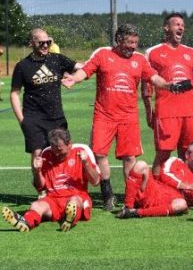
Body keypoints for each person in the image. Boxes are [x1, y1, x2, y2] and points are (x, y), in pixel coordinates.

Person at [61, 23, 178, 211]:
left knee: (129, 158)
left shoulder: (140, 60)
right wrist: (74, 78)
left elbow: (154, 78)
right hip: (104, 115)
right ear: (118, 40)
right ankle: (108, 194)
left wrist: (168, 85)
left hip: (128, 117)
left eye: (135, 43)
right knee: (99, 154)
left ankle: (130, 197)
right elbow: (86, 70)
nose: (133, 46)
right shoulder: (103, 55)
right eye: (129, 42)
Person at [10, 28, 81, 195]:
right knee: (37, 154)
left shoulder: (57, 59)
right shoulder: (22, 66)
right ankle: (41, 190)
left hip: (56, 117)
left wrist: (74, 78)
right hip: (33, 117)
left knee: (62, 152)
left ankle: (61, 186)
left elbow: (82, 68)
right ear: (31, 43)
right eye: (41, 42)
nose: (45, 45)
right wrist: (22, 120)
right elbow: (14, 93)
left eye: (48, 42)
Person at [143, 13, 193, 177]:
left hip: (191, 113)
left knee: (191, 155)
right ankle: (155, 190)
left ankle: (188, 191)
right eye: (177, 24)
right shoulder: (153, 53)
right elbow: (146, 85)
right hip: (167, 112)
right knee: (163, 154)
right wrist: (149, 112)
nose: (181, 27)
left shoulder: (192, 53)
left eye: (182, 25)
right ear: (166, 28)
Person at [2, 129, 100, 232]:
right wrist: (37, 171)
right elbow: (40, 187)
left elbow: (96, 181)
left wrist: (86, 164)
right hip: (53, 199)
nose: (57, 154)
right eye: (55, 151)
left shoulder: (81, 151)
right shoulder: (46, 154)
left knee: (74, 202)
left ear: (69, 145)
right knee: (36, 205)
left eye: (60, 151)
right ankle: (26, 222)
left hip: (77, 196)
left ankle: (70, 219)